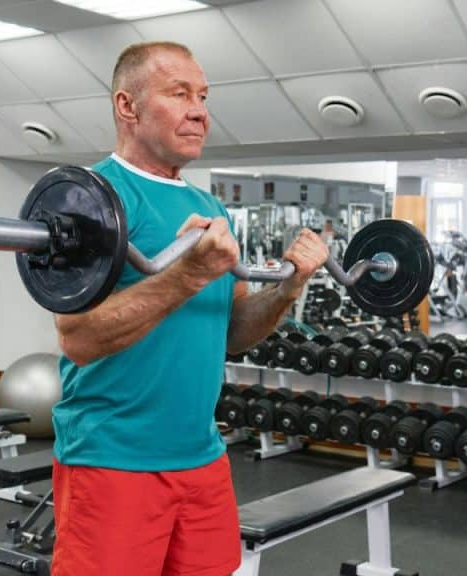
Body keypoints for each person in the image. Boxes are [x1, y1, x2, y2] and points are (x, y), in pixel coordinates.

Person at [50, 42, 329, 576]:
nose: (200, 110)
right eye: (179, 94)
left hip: (201, 455)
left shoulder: (208, 207)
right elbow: (78, 338)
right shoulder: (92, 198)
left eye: (202, 96)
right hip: (114, 459)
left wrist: (289, 289)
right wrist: (190, 274)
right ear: (127, 107)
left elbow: (233, 333)